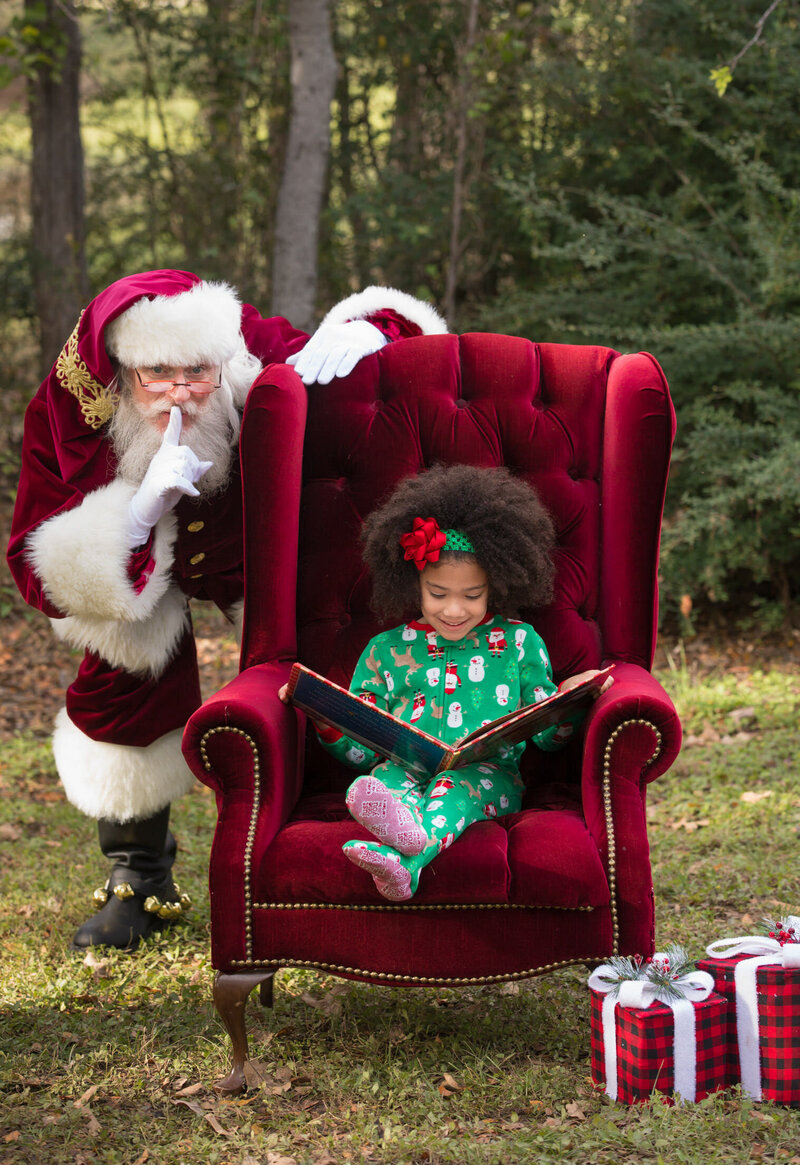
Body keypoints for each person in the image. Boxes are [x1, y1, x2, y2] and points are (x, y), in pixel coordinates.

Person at [6, 268, 446, 949]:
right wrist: (137, 512)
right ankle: (139, 878)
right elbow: (42, 564)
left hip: (250, 539)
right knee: (122, 675)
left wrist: (367, 328)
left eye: (199, 372)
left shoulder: (249, 348)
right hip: (145, 553)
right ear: (123, 371)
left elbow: (396, 346)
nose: (182, 390)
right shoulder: (68, 414)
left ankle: (348, 833)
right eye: (158, 373)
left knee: (319, 667)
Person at [281, 463, 613, 902]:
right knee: (381, 784)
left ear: (494, 585)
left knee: (453, 787)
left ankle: (412, 845)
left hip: (489, 775)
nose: (454, 610)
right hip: (403, 766)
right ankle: (403, 865)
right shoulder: (384, 650)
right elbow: (359, 752)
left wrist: (571, 701)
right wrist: (322, 715)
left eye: (471, 596)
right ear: (412, 583)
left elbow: (548, 738)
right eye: (438, 593)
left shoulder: (518, 642)